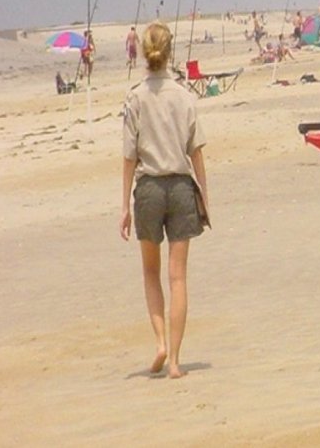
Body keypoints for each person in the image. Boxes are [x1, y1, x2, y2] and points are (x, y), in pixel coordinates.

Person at [120, 21, 209, 379]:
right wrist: (205, 196)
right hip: (182, 188)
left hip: (150, 190)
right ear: (169, 52)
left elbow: (129, 156)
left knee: (150, 272)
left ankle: (159, 342)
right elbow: (197, 151)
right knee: (178, 278)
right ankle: (174, 361)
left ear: (143, 52)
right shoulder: (184, 96)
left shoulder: (136, 97)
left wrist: (124, 205)